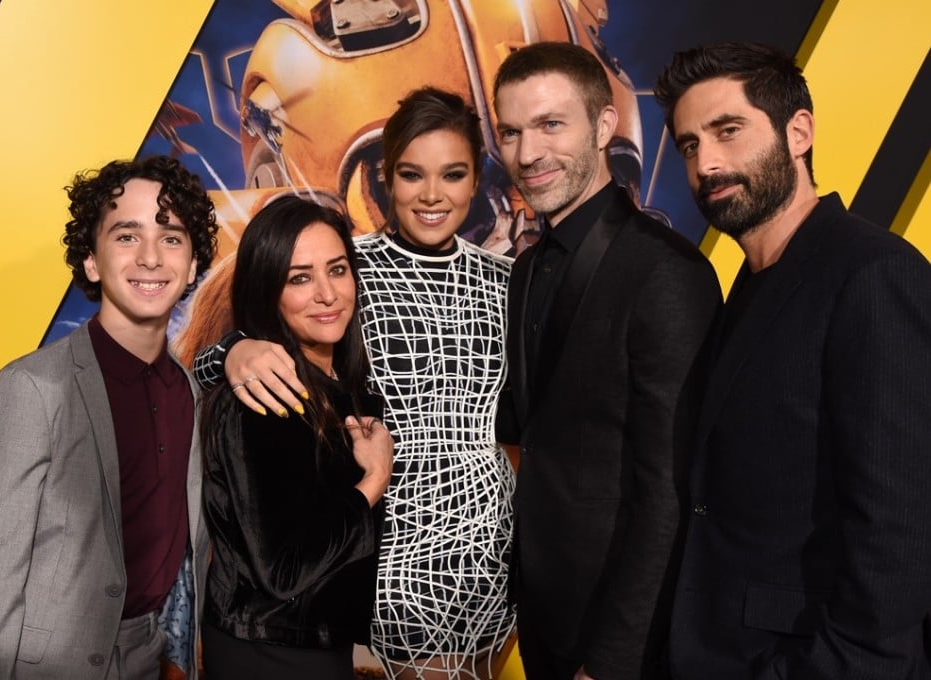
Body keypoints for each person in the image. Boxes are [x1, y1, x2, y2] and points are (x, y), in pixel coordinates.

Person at [192, 87, 516, 679]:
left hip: (489, 574)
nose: (432, 195)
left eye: (454, 173)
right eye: (412, 174)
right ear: (384, 177)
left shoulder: (512, 282)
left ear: (477, 180)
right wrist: (235, 351)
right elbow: (205, 358)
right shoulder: (338, 261)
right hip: (365, 582)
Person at [654, 41, 931, 679]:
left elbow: (899, 535)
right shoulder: (749, 285)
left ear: (798, 131)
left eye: (728, 131)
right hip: (720, 652)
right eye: (691, 145)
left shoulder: (873, 274)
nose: (708, 163)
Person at [492, 42, 722, 680]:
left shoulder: (667, 273)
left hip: (616, 637)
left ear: (603, 125)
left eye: (550, 124)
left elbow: (669, 493)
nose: (527, 153)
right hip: (541, 616)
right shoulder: (528, 269)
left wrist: (614, 659)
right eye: (510, 132)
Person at [0, 155, 218, 679]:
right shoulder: (33, 387)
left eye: (170, 238)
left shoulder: (188, 393)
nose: (150, 257)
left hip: (151, 656)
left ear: (192, 265)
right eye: (126, 236)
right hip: (51, 664)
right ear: (92, 261)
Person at [198, 195, 392, 679]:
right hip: (268, 651)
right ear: (268, 290)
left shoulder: (345, 387)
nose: (327, 294)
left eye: (338, 269)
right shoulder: (264, 396)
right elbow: (285, 569)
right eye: (300, 278)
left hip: (315, 642)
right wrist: (373, 480)